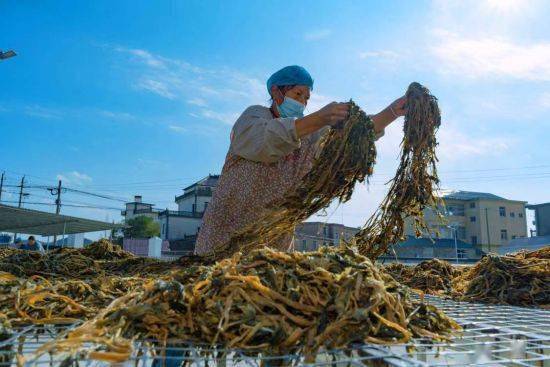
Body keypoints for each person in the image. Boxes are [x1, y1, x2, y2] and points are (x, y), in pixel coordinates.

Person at [195, 65, 406, 255]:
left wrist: (392, 112)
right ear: (276, 91)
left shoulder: (309, 134)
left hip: (272, 244)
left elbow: (349, 137)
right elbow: (267, 141)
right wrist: (319, 118)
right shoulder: (255, 117)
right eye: (297, 94)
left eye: (306, 98)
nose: (302, 102)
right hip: (225, 235)